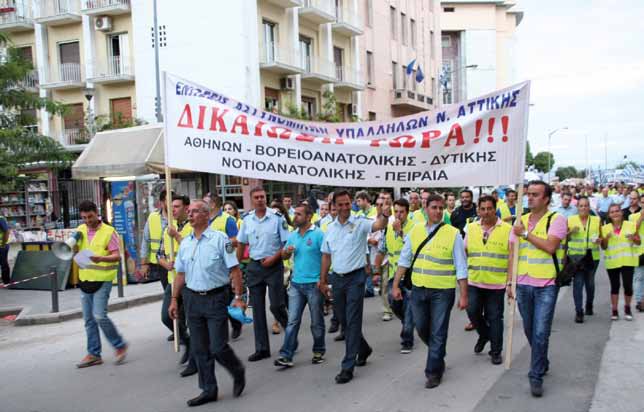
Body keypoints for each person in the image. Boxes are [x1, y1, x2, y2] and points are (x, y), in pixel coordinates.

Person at [168, 200, 246, 407]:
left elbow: (235, 270)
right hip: (192, 299)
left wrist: (238, 298)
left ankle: (237, 370)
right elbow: (180, 274)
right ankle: (208, 389)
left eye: (194, 212)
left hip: (215, 298)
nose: (190, 215)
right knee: (200, 349)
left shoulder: (221, 240)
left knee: (218, 347)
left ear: (205, 215)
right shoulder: (185, 243)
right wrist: (174, 299)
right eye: (189, 212)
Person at [390, 194, 468, 388]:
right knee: (422, 328)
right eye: (434, 207)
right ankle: (438, 353)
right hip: (418, 289)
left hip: (443, 291)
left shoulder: (453, 233)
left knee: (438, 332)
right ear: (426, 209)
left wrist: (464, 295)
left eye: (441, 208)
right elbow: (404, 260)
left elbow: (461, 266)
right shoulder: (415, 231)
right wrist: (395, 285)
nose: (438, 211)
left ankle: (433, 372)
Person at [319, 189, 390, 384]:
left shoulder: (359, 222)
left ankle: (347, 366)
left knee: (353, 321)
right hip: (337, 279)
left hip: (356, 278)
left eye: (347, 204)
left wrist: (384, 212)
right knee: (343, 319)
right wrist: (323, 280)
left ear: (352, 204)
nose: (344, 208)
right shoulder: (329, 228)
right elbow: (326, 256)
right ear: (334, 206)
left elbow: (378, 224)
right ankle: (364, 348)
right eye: (340, 204)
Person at [509, 180, 566, 397]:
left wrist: (525, 234)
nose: (529, 197)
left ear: (546, 199)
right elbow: (512, 254)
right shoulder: (519, 221)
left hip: (546, 286)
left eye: (535, 194)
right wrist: (509, 283)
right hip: (523, 284)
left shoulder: (557, 219)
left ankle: (536, 375)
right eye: (528, 194)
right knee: (529, 329)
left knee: (541, 332)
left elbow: (551, 247)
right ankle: (541, 360)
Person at [237, 187, 290, 361]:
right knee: (257, 309)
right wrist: (236, 266)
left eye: (262, 197)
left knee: (276, 305)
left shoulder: (277, 218)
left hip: (274, 266)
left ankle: (291, 337)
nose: (260, 199)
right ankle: (262, 348)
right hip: (255, 267)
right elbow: (242, 243)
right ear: (252, 200)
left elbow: (286, 245)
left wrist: (273, 259)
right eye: (257, 197)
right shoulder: (247, 220)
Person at [75, 200, 128, 368]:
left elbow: (117, 256)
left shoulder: (109, 231)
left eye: (90, 216)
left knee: (99, 315)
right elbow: (76, 250)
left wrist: (101, 258)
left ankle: (119, 345)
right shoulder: (80, 230)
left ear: (96, 212)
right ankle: (93, 354)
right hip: (86, 279)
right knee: (89, 319)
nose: (88, 221)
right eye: (84, 217)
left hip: (103, 278)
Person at [274, 202, 326, 367]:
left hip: (314, 284)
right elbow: (283, 256)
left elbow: (327, 257)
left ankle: (318, 350)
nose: (294, 216)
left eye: (298, 214)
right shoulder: (293, 235)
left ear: (309, 216)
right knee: (292, 321)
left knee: (316, 321)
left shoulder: (318, 234)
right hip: (296, 284)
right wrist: (285, 253)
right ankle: (286, 355)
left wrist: (323, 280)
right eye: (294, 213)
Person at [464, 195, 511, 365]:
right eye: (482, 209)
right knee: (472, 312)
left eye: (489, 208)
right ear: (478, 209)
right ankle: (484, 335)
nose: (486, 212)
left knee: (495, 317)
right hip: (474, 281)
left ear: (495, 208)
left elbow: (512, 256)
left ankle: (496, 351)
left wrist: (511, 282)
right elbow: (465, 251)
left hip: (496, 283)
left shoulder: (507, 229)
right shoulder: (471, 228)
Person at [158, 195, 197, 377]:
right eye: (171, 207)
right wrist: (164, 262)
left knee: (194, 320)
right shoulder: (168, 227)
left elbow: (196, 248)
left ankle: (195, 360)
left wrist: (178, 236)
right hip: (174, 279)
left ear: (186, 208)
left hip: (192, 281)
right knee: (167, 317)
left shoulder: (193, 225)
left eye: (176, 206)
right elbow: (159, 252)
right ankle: (186, 340)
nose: (173, 210)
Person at [379, 198, 416, 353]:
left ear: (407, 212)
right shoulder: (388, 228)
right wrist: (375, 269)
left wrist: (400, 232)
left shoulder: (415, 228)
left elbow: (412, 248)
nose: (399, 215)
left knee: (408, 308)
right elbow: (383, 248)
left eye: (402, 212)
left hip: (409, 276)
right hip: (394, 274)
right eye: (396, 212)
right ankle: (408, 323)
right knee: (394, 304)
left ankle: (407, 339)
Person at [204, 194, 243, 340]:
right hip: (209, 265)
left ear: (213, 204)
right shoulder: (205, 219)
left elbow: (236, 239)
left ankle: (235, 322)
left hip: (224, 264)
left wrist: (220, 243)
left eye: (205, 202)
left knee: (224, 298)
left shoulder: (227, 219)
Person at [601, 204, 641, 321]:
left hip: (628, 261)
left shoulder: (631, 225)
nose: (615, 214)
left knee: (628, 286)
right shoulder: (605, 228)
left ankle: (627, 308)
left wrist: (634, 238)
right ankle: (614, 310)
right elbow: (603, 247)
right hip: (612, 261)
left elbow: (638, 242)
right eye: (612, 212)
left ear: (621, 212)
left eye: (617, 211)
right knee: (615, 286)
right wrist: (606, 239)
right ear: (609, 215)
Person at [567, 196, 602, 323]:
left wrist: (599, 241)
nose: (583, 208)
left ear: (589, 207)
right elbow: (564, 239)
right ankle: (579, 311)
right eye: (581, 206)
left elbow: (601, 237)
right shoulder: (570, 220)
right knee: (578, 283)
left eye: (586, 205)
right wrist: (570, 232)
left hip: (592, 257)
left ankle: (589, 304)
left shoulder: (596, 220)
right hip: (576, 258)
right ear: (577, 207)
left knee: (590, 283)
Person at [140, 189, 171, 290]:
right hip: (160, 263)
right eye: (168, 200)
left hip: (175, 262)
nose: (171, 203)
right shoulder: (153, 217)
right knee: (168, 291)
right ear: (162, 203)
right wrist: (144, 264)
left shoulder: (178, 218)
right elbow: (145, 240)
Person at [629, 198, 644, 312]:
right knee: (639, 277)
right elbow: (633, 231)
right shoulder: (633, 216)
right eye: (643, 202)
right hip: (639, 250)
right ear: (640, 203)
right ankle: (639, 301)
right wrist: (641, 217)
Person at [0, 214, 10, 284]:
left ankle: (6, 281)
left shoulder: (0, 219)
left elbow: (6, 231)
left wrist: (3, 244)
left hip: (2, 245)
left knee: (3, 263)